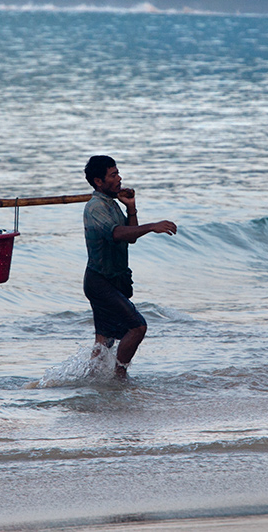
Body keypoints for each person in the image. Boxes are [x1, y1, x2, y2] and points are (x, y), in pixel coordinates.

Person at [83, 155, 177, 379]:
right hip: (99, 281)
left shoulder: (112, 205)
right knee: (137, 327)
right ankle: (119, 377)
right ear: (98, 181)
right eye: (113, 175)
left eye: (118, 173)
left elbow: (129, 237)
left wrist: (131, 209)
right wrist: (152, 226)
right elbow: (116, 233)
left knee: (104, 340)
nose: (119, 179)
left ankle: (90, 380)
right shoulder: (95, 207)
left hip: (112, 280)